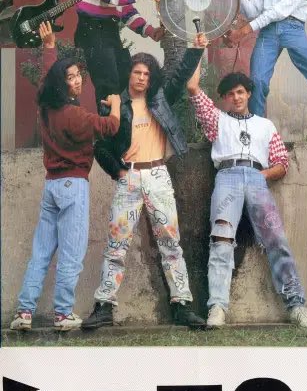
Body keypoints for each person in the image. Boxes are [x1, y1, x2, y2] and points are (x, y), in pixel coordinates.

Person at [81, 34, 210, 330]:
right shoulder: (115, 104)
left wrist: (196, 48)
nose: (141, 78)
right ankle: (104, 306)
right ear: (129, 74)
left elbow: (180, 75)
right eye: (137, 72)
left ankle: (182, 305)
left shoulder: (160, 99)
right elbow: (100, 146)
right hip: (129, 177)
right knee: (117, 245)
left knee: (171, 243)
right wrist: (118, 171)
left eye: (147, 74)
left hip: (158, 175)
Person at [10, 22, 121, 332]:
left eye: (77, 75)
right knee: (72, 253)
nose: (77, 80)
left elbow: (46, 78)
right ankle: (62, 314)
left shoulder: (46, 107)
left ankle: (24, 312)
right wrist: (115, 105)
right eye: (70, 78)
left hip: (52, 186)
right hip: (73, 186)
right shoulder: (76, 116)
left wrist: (50, 47)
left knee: (41, 253)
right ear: (62, 84)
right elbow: (110, 127)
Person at [187, 65, 307, 329]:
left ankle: (296, 305)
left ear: (248, 94)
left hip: (257, 177)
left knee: (275, 238)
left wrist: (260, 175)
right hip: (227, 176)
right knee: (221, 240)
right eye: (231, 94)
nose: (236, 97)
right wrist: (198, 50)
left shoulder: (265, 125)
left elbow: (282, 163)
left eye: (241, 92)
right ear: (225, 98)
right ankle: (217, 307)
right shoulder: (217, 120)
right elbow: (193, 88)